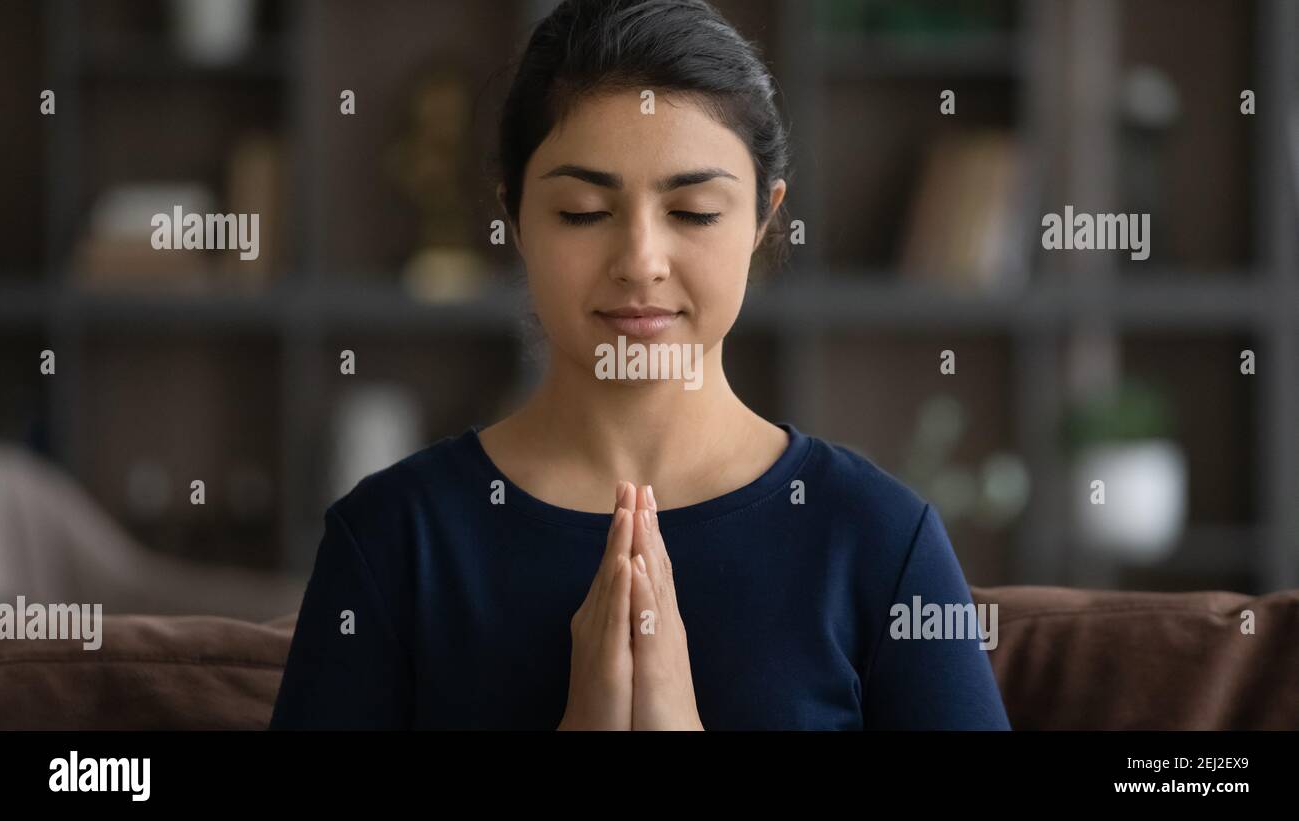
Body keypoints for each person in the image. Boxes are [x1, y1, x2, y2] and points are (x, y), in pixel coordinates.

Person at [270, 0, 1011, 730]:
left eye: (693, 212)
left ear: (762, 219)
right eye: (584, 211)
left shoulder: (880, 537)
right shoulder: (393, 541)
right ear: (516, 218)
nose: (641, 262)